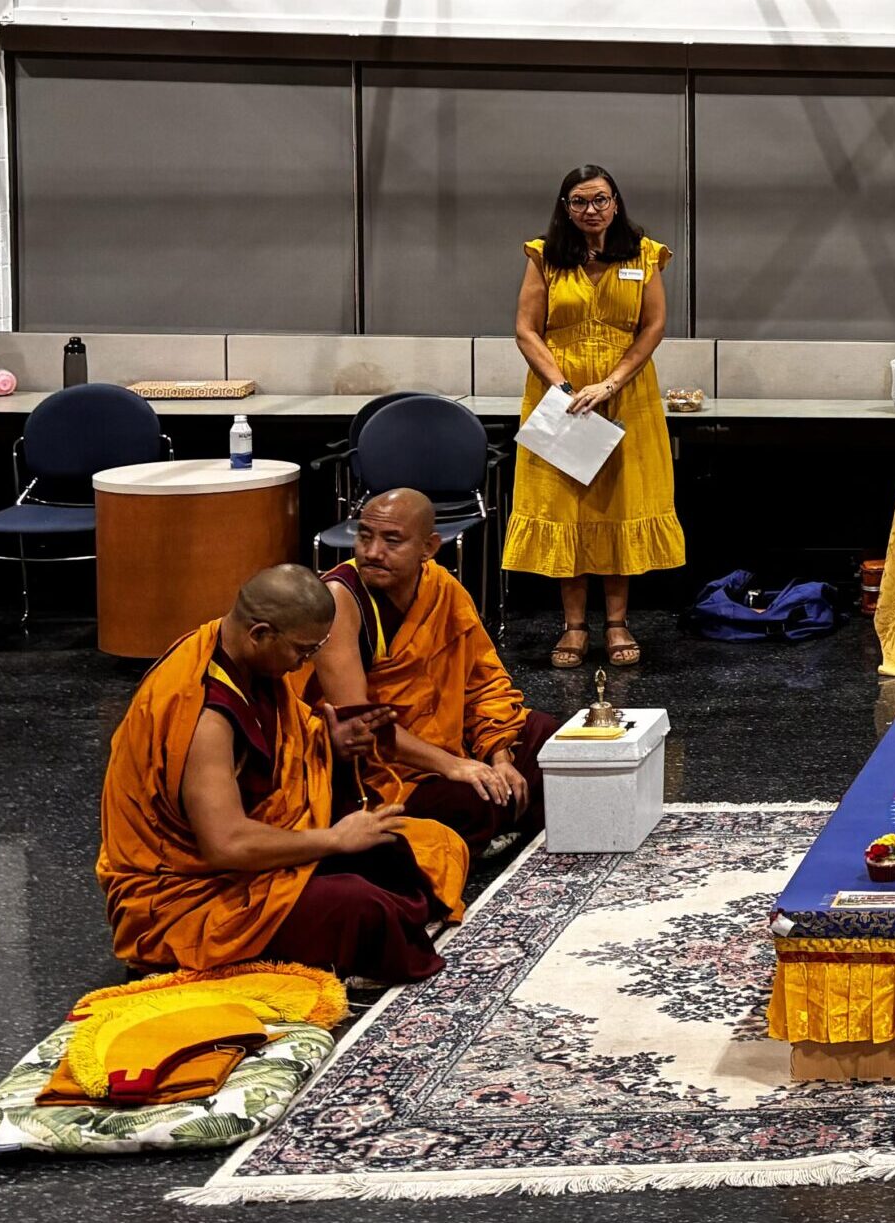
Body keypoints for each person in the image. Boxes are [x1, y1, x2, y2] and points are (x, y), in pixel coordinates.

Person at [98, 565, 469, 982]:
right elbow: (226, 845)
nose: (303, 666)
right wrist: (333, 840)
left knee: (405, 853)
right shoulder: (205, 718)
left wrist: (332, 744)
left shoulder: (241, 655)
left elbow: (281, 751)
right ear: (260, 634)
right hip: (190, 896)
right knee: (364, 908)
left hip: (251, 855)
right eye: (302, 651)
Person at [505, 163, 685, 670]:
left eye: (600, 200)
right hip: (560, 395)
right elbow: (526, 330)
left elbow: (652, 327)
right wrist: (563, 388)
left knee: (618, 504)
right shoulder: (543, 257)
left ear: (616, 202)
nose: (591, 210)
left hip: (626, 395)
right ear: (566, 208)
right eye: (580, 202)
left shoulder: (644, 255)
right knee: (570, 508)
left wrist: (610, 383)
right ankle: (574, 626)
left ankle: (618, 622)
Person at [315, 489, 562, 856]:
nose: (372, 552)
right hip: (384, 770)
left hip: (451, 742)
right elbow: (360, 723)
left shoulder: (442, 587)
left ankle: (490, 826)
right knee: (466, 801)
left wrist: (498, 754)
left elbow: (483, 683)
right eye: (364, 536)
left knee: (549, 740)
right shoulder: (341, 599)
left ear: (428, 548)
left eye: (391, 540)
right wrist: (453, 766)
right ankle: (491, 825)